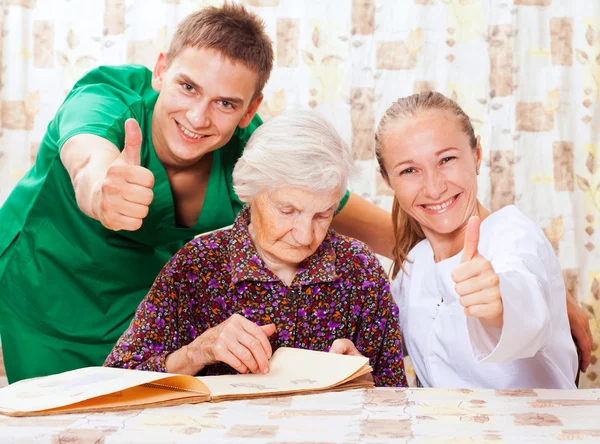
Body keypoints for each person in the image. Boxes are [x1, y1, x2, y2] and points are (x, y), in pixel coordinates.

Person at [0, 4, 393, 383]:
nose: (197, 117)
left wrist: (440, 230)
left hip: (142, 307)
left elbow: (335, 205)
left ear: (248, 108)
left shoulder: (252, 148)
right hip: (48, 291)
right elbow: (87, 158)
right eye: (188, 87)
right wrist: (100, 190)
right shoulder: (105, 97)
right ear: (161, 70)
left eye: (225, 103)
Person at [104, 110, 407, 387]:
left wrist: (364, 381)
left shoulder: (359, 267)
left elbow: (397, 399)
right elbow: (117, 381)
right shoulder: (196, 266)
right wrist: (197, 352)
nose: (304, 236)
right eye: (287, 211)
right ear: (252, 191)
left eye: (322, 215)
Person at [375, 91, 578, 389]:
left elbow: (525, 295)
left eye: (446, 159)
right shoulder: (415, 262)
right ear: (387, 181)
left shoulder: (514, 236)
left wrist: (501, 300)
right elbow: (387, 345)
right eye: (409, 170)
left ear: (477, 155)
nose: (434, 188)